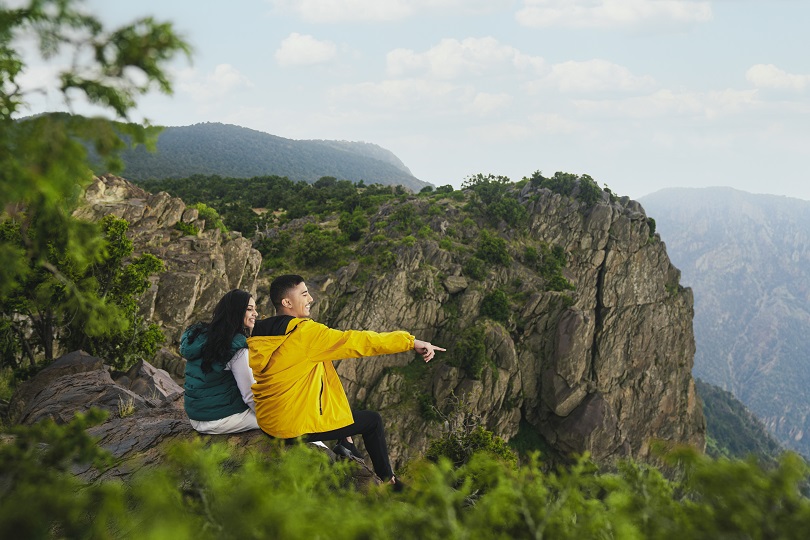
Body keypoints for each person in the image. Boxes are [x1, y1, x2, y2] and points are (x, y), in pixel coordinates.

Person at [248, 274, 445, 488]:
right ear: (287, 302)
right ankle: (389, 482)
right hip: (289, 429)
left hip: (268, 420)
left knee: (319, 370)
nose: (311, 298)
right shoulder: (306, 333)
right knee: (372, 421)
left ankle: (345, 441)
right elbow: (359, 341)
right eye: (304, 294)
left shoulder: (259, 331)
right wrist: (410, 342)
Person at [181, 289, 260, 434]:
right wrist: (268, 416)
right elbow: (250, 395)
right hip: (220, 419)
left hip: (196, 417)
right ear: (236, 311)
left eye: (255, 309)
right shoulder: (236, 346)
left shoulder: (201, 335)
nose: (255, 313)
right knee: (282, 421)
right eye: (249, 309)